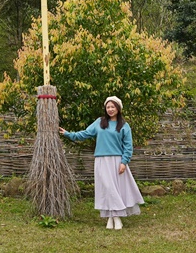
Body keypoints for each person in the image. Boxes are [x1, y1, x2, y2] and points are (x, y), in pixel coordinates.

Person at [59, 96, 145, 230]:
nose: (110, 109)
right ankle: (112, 217)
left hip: (117, 161)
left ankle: (114, 218)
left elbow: (128, 146)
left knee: (115, 189)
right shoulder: (99, 122)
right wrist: (69, 134)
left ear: (118, 108)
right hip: (101, 160)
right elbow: (85, 134)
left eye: (113, 107)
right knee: (106, 188)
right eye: (108, 107)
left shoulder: (124, 126)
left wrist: (124, 162)